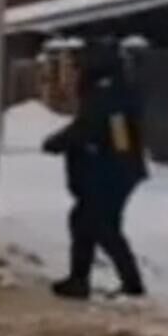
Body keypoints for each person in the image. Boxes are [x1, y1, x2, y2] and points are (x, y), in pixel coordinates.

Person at [42, 41, 148, 300]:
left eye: (79, 66)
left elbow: (90, 128)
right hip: (111, 170)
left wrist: (59, 142)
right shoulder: (112, 91)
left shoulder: (107, 95)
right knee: (85, 222)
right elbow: (100, 129)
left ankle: (132, 285)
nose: (77, 72)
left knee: (102, 226)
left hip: (113, 173)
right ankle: (80, 280)